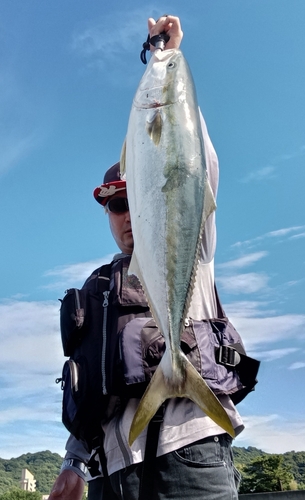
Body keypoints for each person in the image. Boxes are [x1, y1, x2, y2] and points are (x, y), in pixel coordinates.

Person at [49, 15, 245, 500]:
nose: (127, 213)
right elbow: (95, 378)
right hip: (109, 474)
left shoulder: (191, 250)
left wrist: (168, 58)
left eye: (136, 198)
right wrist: (74, 461)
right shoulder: (99, 288)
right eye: (116, 204)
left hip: (190, 455)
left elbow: (195, 164)